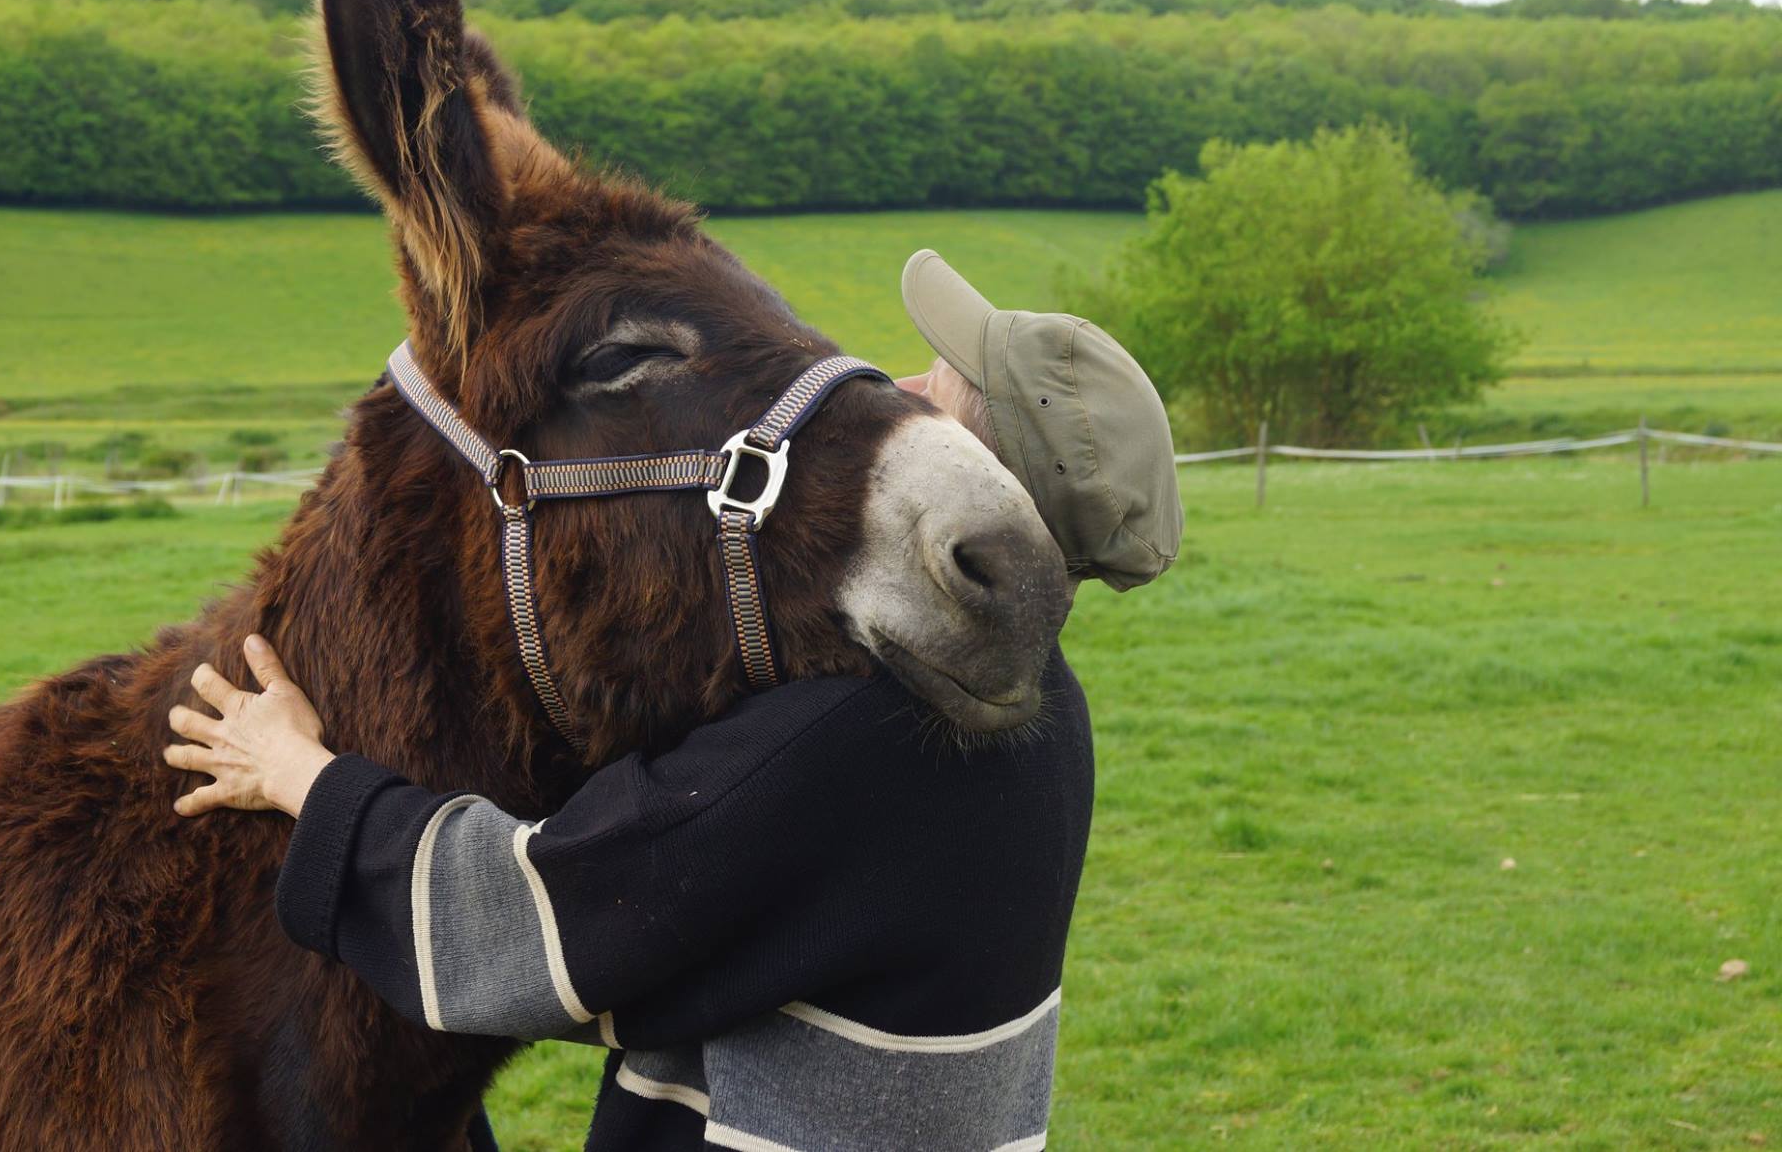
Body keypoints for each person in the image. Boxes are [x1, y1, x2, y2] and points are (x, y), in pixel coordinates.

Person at [167, 251, 1181, 1151]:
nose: (903, 389)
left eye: (937, 392)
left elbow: (549, 923)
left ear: (979, 488)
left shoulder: (847, 741)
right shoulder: (1048, 705)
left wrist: (303, 774)